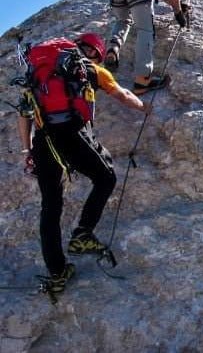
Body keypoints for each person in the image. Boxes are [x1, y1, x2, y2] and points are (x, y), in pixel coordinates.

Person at [17, 33, 151, 294]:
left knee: (51, 206)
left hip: (43, 142)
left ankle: (57, 272)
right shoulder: (91, 69)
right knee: (106, 177)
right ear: (95, 53)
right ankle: (82, 234)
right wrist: (144, 107)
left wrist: (27, 148)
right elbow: (123, 94)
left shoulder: (38, 72)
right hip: (72, 133)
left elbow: (24, 114)